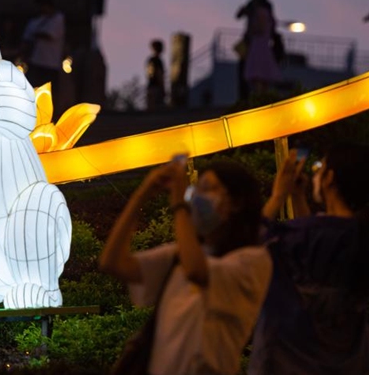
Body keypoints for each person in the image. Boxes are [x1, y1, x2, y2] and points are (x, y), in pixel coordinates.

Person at [100, 157, 272, 375]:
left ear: (237, 202)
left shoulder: (253, 261)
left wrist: (179, 204)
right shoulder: (177, 255)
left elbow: (196, 271)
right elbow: (112, 262)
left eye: (209, 189)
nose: (198, 199)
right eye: (196, 191)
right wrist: (142, 195)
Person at [249, 143, 369, 375]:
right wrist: (297, 197)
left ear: (330, 178)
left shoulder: (304, 235)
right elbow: (311, 255)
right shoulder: (362, 233)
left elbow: (249, 247)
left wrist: (278, 195)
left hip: (293, 362)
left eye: (319, 167)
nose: (314, 174)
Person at [236, 0, 281, 98]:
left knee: (257, 72)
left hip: (256, 42)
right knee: (259, 72)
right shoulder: (262, 5)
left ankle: (256, 98)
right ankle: (259, 98)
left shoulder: (256, 5)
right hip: (258, 42)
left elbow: (261, 27)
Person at [21, 0, 65, 89]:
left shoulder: (58, 18)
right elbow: (26, 41)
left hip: (51, 64)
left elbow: (50, 35)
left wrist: (36, 35)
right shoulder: (33, 22)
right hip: (35, 62)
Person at [145, 39, 166, 111]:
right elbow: (159, 75)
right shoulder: (158, 61)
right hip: (156, 88)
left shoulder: (150, 60)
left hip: (150, 87)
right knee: (158, 108)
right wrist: (163, 88)